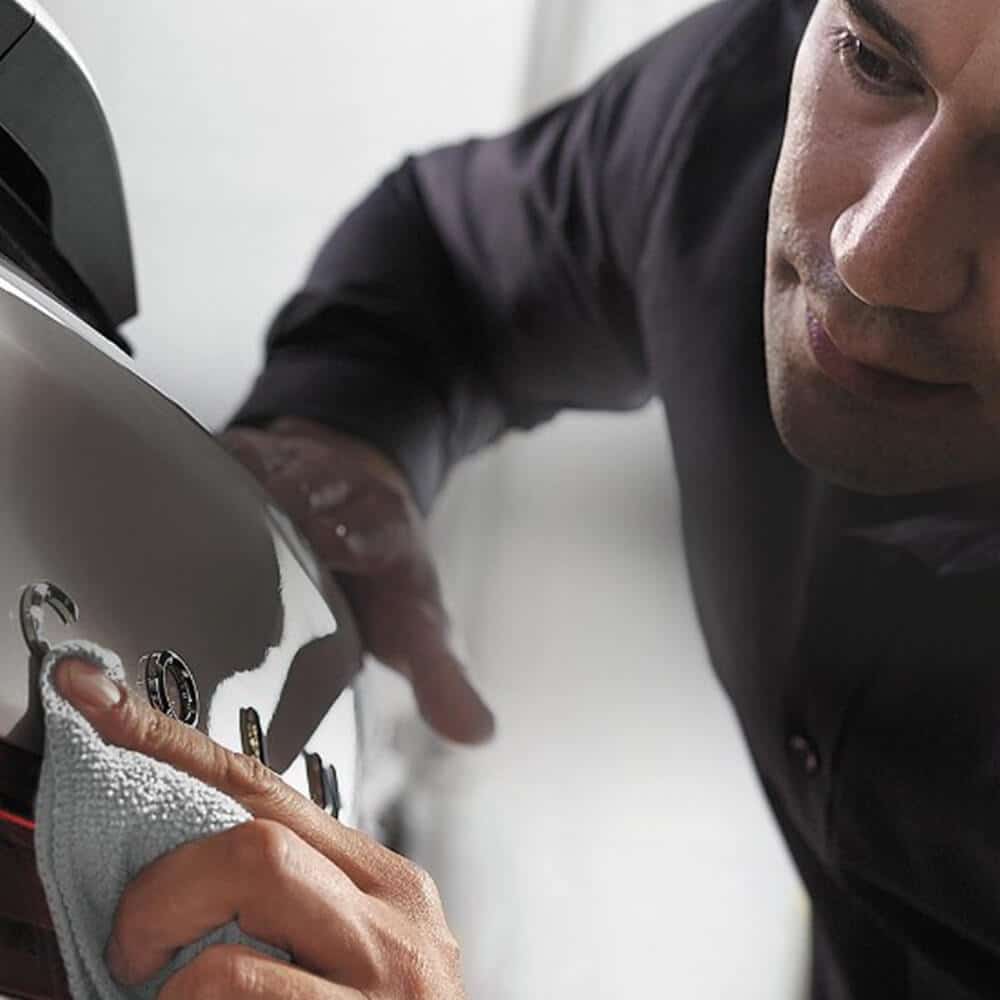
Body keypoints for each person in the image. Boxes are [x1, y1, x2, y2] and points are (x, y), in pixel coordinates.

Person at [208, 0, 1000, 995]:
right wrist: (335, 445)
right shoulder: (736, 111)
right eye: (881, 68)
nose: (877, 256)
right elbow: (451, 259)